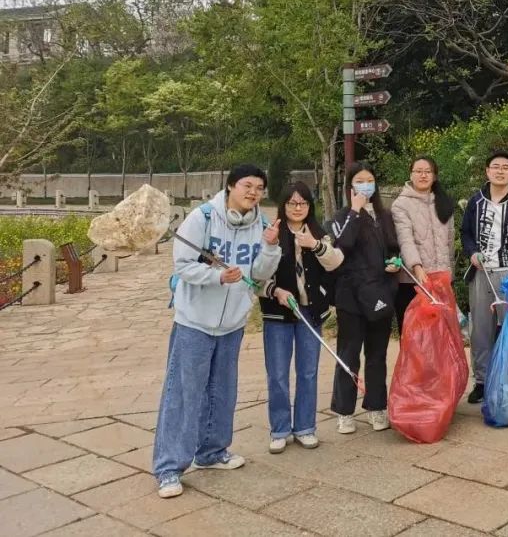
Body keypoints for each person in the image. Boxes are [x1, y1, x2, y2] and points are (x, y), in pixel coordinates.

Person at [153, 164, 281, 499]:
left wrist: (270, 247)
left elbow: (259, 275)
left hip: (232, 324)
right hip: (194, 321)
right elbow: (183, 265)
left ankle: (211, 451)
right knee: (184, 393)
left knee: (222, 391)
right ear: (231, 186)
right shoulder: (203, 218)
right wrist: (217, 277)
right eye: (247, 185)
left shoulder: (262, 225)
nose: (253, 193)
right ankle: (169, 467)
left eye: (259, 188)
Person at [259, 181, 343, 454]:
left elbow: (335, 261)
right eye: (292, 203)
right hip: (278, 312)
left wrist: (314, 245)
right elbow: (256, 275)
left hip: (311, 311)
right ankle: (280, 429)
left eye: (303, 203)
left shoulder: (319, 233)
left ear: (310, 206)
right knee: (278, 374)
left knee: (308, 372)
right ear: (283, 205)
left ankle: (306, 427)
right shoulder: (271, 233)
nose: (298, 208)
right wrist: (275, 290)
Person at [328, 162, 399, 435]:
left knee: (377, 354)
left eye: (370, 180)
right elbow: (342, 246)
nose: (366, 185)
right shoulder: (340, 217)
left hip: (380, 293)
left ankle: (376, 406)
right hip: (350, 296)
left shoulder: (384, 215)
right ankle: (345, 411)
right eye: (360, 180)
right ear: (350, 186)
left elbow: (393, 247)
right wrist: (355, 211)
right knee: (348, 354)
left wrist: (394, 262)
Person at [460, 150, 508, 404]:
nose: (500, 171)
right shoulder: (476, 201)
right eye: (496, 166)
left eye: (506, 167)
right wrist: (472, 252)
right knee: (481, 330)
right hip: (481, 273)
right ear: (487, 171)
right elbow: (465, 232)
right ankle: (482, 381)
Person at [391, 156, 456, 334]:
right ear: (410, 174)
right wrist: (417, 268)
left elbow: (450, 241)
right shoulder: (401, 204)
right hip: (413, 281)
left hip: (441, 280)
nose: (423, 175)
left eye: (428, 171)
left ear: (434, 176)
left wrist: (450, 275)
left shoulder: (443, 202)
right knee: (415, 338)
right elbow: (405, 239)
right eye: (418, 171)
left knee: (441, 336)